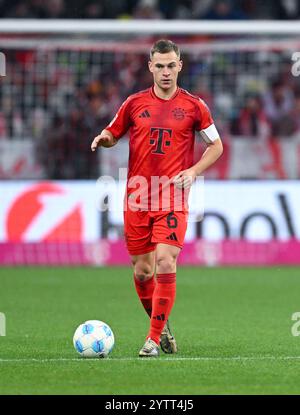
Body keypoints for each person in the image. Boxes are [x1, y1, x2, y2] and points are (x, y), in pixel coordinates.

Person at [91, 39, 223, 357]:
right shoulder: (134, 103)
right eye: (159, 66)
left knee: (166, 260)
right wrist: (104, 138)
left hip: (173, 195)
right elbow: (113, 132)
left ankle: (151, 340)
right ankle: (161, 325)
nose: (165, 72)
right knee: (142, 271)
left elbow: (215, 146)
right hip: (137, 195)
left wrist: (193, 172)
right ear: (151, 67)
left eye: (171, 65)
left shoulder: (194, 106)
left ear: (180, 66)